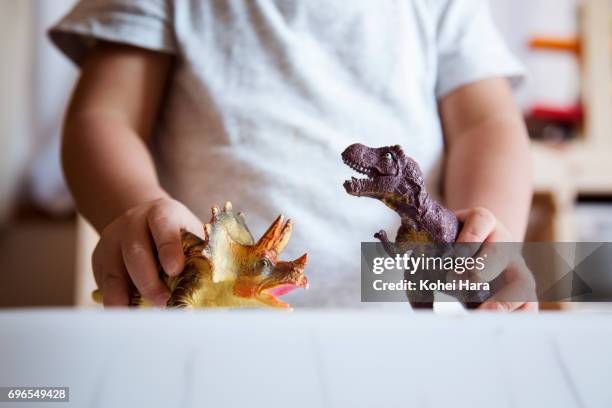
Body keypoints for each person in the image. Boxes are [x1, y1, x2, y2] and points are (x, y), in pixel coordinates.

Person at [50, 0, 536, 310]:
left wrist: (489, 239)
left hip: (413, 333)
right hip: (207, 329)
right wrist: (133, 205)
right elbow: (104, 118)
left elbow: (486, 126)